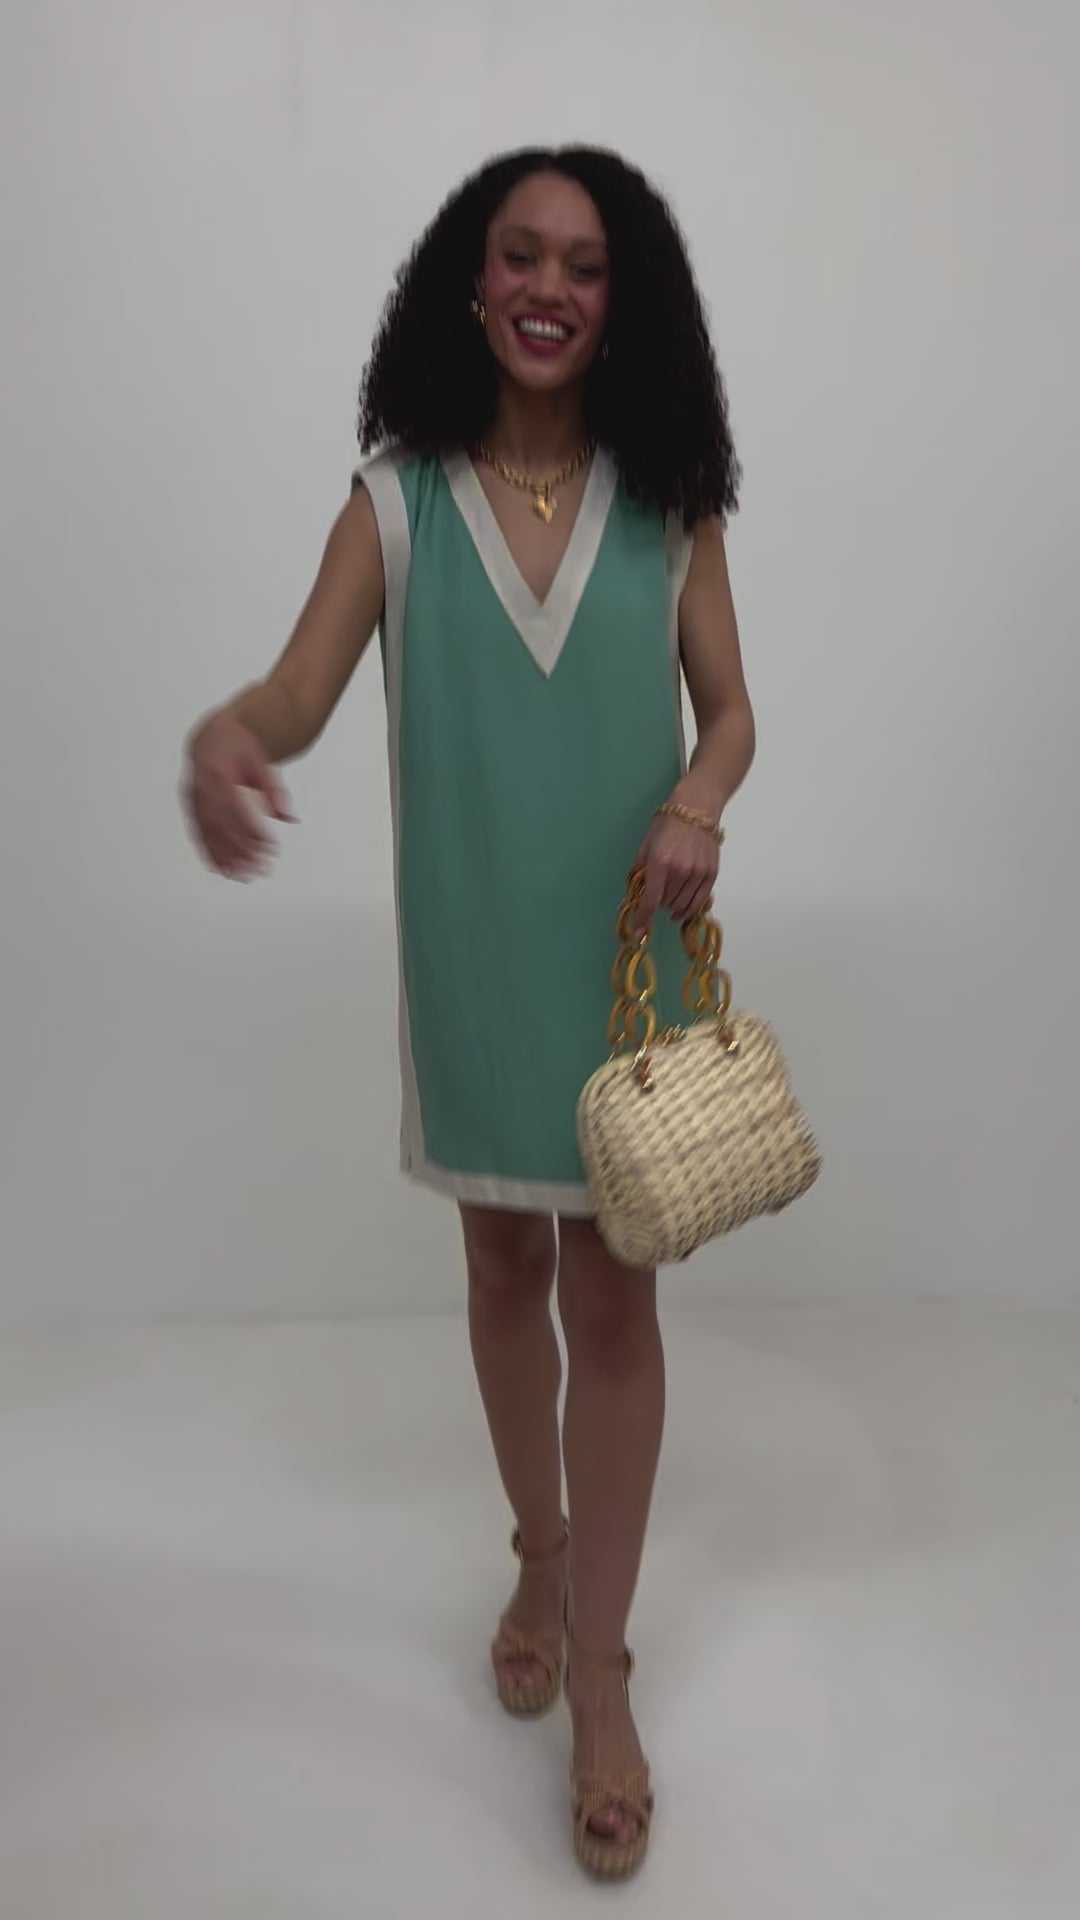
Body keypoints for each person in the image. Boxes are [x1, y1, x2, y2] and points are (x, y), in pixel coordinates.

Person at [182, 145, 755, 1882]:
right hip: (475, 959)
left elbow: (731, 713)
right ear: (472, 279)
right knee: (506, 1269)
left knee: (616, 1298)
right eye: (520, 255)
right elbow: (299, 689)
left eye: (584, 264)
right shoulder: (398, 502)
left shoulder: (671, 507)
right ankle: (537, 1552)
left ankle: (604, 1672)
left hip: (625, 957)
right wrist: (232, 733)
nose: (549, 289)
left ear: (622, 301)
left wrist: (699, 799)